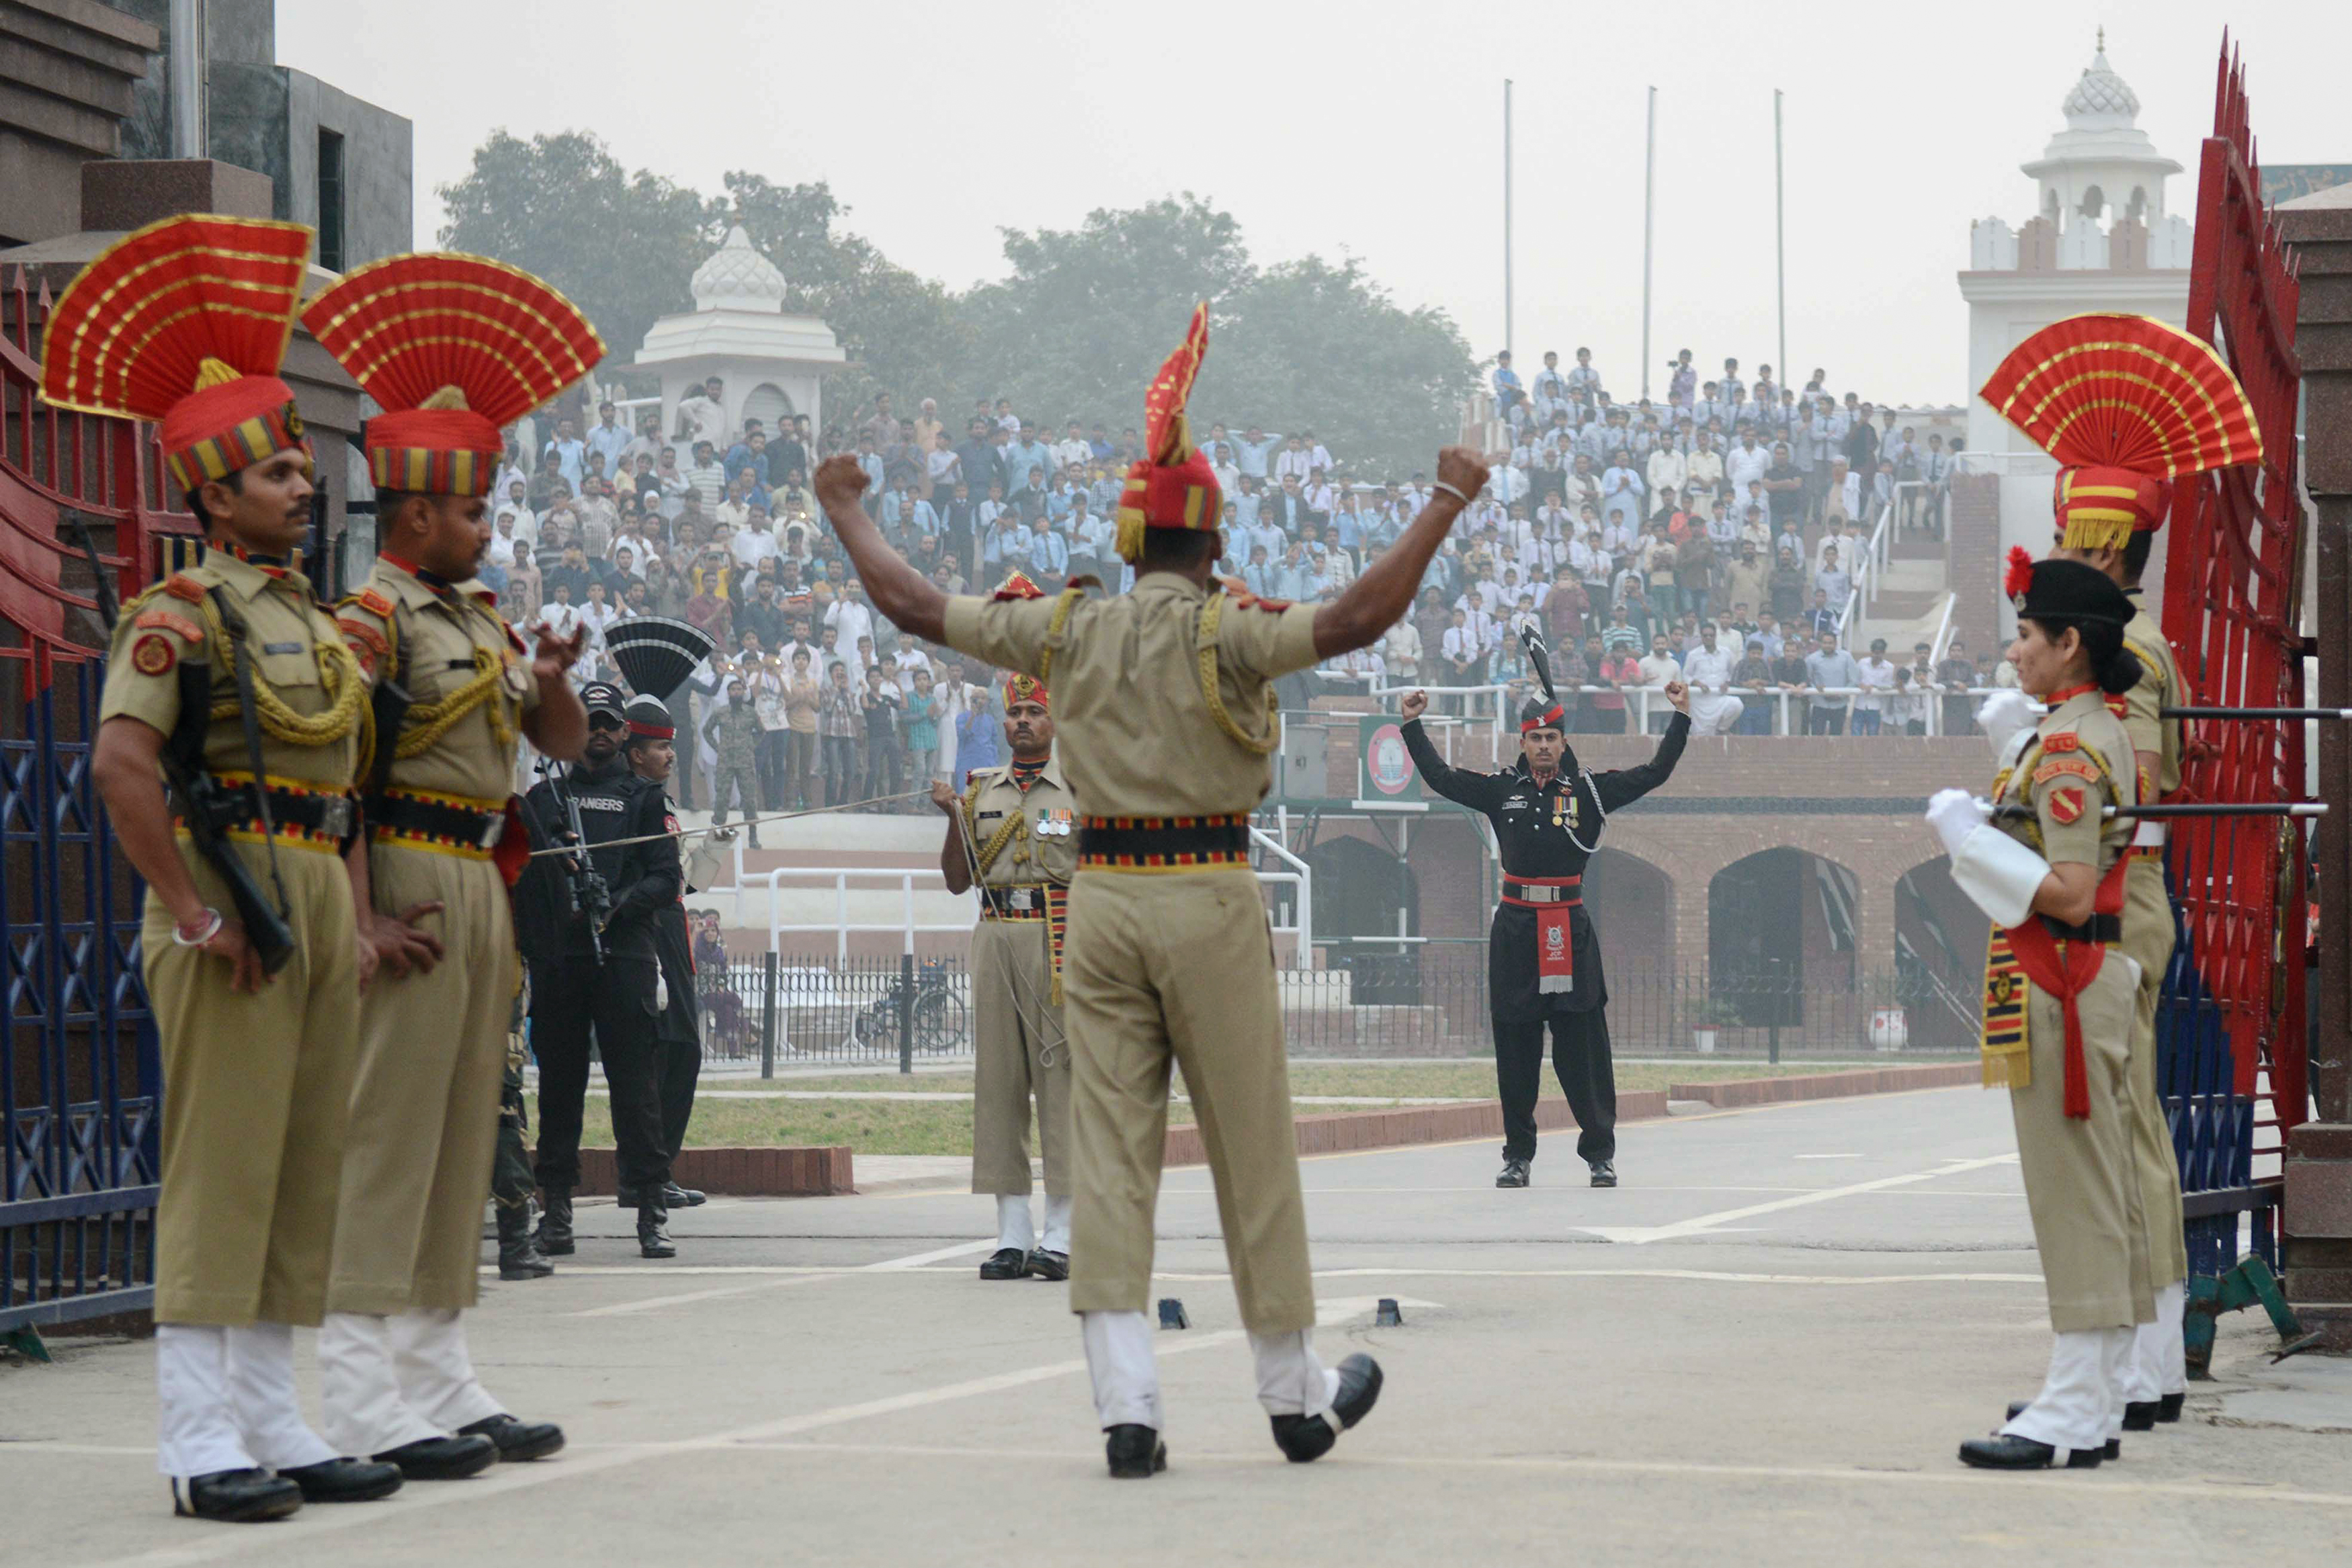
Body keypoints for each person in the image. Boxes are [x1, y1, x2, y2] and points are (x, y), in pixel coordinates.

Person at [814, 304, 1487, 1477]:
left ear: (1127, 543)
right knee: (1250, 1147)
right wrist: (1445, 501)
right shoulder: (1233, 627)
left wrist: (847, 507)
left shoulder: (1067, 627)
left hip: (1103, 901)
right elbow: (1364, 616)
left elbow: (917, 608)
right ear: (1214, 545)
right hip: (1211, 890)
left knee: (1109, 1153)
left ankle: (1128, 1406)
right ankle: (1294, 1393)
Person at [62, 214, 401, 1521]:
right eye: (273, 473)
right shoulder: (177, 614)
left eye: (302, 468)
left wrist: (353, 915)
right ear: (212, 496)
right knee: (224, 1166)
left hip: (309, 886)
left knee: (301, 1161)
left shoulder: (312, 621)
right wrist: (196, 916)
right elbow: (120, 771)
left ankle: (273, 1414)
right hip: (233, 900)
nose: (301, 487)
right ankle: (199, 1437)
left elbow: (347, 780)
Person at [304, 250, 597, 1477]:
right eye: (472, 509)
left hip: (482, 879)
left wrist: (553, 683)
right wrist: (363, 913)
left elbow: (557, 746)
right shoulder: (369, 620)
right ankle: (362, 1386)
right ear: (413, 512)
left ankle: (440, 1367)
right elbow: (341, 779)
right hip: (411, 874)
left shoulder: (479, 614)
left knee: (461, 1126)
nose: (488, 527)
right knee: (387, 1130)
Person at [1979, 312, 2266, 1436]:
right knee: (2133, 1128)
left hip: (2110, 897)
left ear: (2102, 549)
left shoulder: (2126, 659)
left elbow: (2122, 793)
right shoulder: (2139, 654)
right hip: (2124, 889)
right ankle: (2135, 1362)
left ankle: (2131, 1365)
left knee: (2118, 1132)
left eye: (2073, 540)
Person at [1928, 553, 2151, 1470]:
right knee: (2100, 1193)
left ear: (2070, 644)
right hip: (2081, 977)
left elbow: (2063, 888)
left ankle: (2069, 1407)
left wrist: (1968, 843)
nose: (2015, 652)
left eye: (2028, 635)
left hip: (2061, 977)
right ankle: (2090, 1399)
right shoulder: (2087, 730)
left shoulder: (2067, 749)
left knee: (2075, 1201)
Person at [1398, 650, 1689, 1189]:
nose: (1544, 747)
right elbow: (1440, 777)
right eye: (1535, 739)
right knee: (1516, 1046)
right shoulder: (1499, 791)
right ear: (1524, 743)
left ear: (1563, 742)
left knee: (1583, 1046)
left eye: (1552, 739)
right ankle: (1518, 1156)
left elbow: (1655, 773)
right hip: (1516, 929)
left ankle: (1600, 1153)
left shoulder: (1589, 793)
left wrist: (1680, 717)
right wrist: (1412, 725)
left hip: (1568, 929)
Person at [933, 609, 1078, 1281]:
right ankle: (1011, 1234)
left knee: (1061, 1082)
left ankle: (1063, 1233)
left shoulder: (1077, 791)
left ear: (1054, 722)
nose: (1021, 722)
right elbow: (957, 880)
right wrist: (952, 821)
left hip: (1058, 940)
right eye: (1014, 712)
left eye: (1033, 713)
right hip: (994, 936)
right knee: (998, 1085)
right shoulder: (979, 793)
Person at [515, 683, 682, 1260]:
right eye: (593, 722)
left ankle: (650, 1211)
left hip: (625, 955)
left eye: (611, 723)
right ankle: (556, 1210)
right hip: (562, 960)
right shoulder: (544, 798)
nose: (603, 732)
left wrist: (616, 905)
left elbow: (667, 879)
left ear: (624, 732)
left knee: (636, 1092)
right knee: (560, 1090)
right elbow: (522, 879)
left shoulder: (645, 798)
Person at [620, 695, 708, 1210]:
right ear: (636, 754)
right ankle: (643, 1177)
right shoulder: (635, 804)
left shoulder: (661, 802)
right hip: (652, 933)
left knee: (683, 1052)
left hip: (676, 930)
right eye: (660, 747)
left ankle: (658, 1170)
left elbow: (674, 879)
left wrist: (705, 864)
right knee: (662, 1054)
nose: (671, 756)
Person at [702, 675, 763, 846]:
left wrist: (751, 746)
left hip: (745, 762)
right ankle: (717, 836)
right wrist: (718, 747)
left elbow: (761, 731)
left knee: (750, 800)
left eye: (739, 690)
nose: (736, 693)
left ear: (743, 692)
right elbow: (707, 731)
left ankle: (753, 837)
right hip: (726, 762)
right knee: (722, 799)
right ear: (728, 693)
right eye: (733, 690)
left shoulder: (751, 713)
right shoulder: (720, 712)